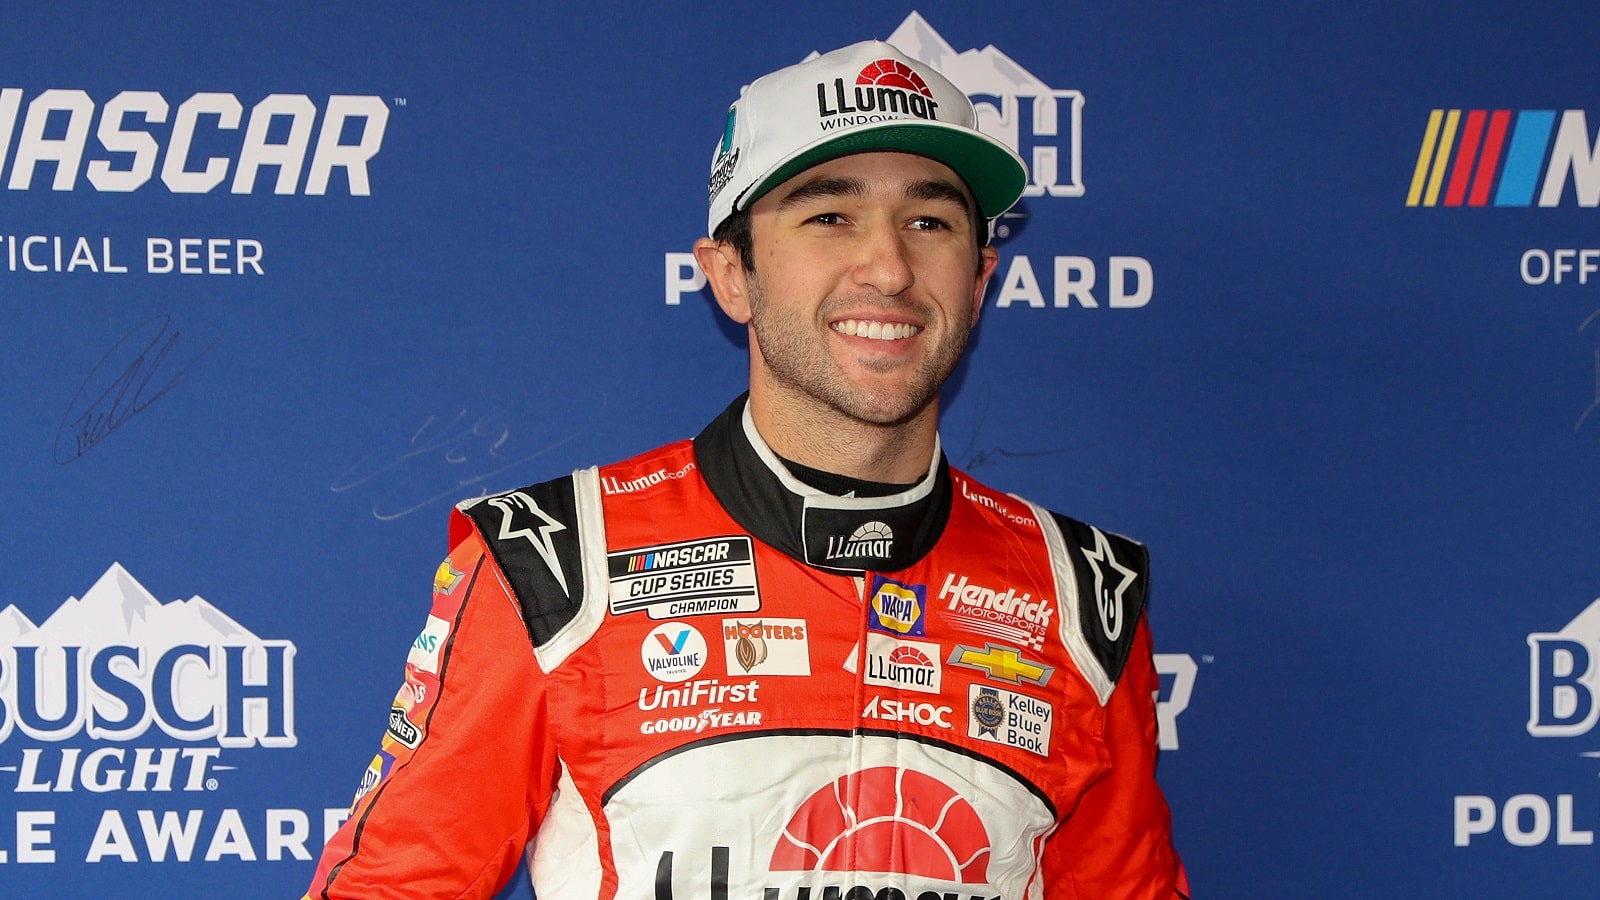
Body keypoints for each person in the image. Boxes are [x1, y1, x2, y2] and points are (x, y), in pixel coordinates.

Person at [305, 39, 1189, 900]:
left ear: (982, 277)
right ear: (731, 275)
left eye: (929, 221)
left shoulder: (1081, 595)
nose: (887, 266)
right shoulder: (555, 564)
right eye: (828, 216)